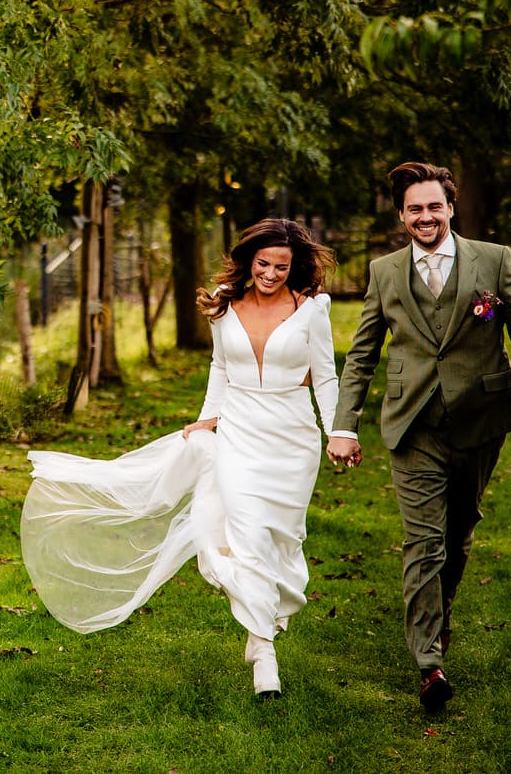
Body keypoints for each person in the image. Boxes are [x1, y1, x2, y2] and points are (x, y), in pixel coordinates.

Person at [20, 218, 338, 698]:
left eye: (281, 267)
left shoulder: (311, 309)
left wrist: (339, 432)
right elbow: (220, 367)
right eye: (263, 264)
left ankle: (260, 623)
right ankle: (264, 652)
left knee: (281, 540)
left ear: (294, 268)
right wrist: (208, 418)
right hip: (240, 433)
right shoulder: (225, 305)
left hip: (293, 440)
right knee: (247, 535)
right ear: (249, 260)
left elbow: (327, 376)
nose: (270, 274)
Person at [328, 161, 511, 714]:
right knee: (423, 541)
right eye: (414, 209)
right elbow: (362, 355)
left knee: (458, 533)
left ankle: (441, 610)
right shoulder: (384, 272)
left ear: (450, 208)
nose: (425, 216)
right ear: (402, 216)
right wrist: (343, 425)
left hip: (480, 418)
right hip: (413, 423)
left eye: (434, 206)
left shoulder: (493, 260)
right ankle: (429, 664)